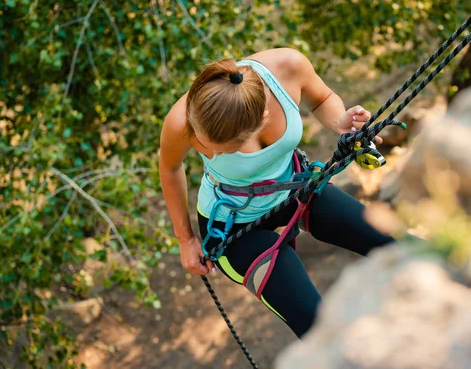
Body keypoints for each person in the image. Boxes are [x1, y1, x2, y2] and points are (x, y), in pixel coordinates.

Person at [159, 48, 395, 338]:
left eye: (225, 147)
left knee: (397, 244)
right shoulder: (182, 119)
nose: (215, 153)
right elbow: (170, 168)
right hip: (232, 227)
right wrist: (185, 239)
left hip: (297, 187)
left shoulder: (288, 68)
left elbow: (321, 99)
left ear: (262, 119)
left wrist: (340, 123)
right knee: (317, 327)